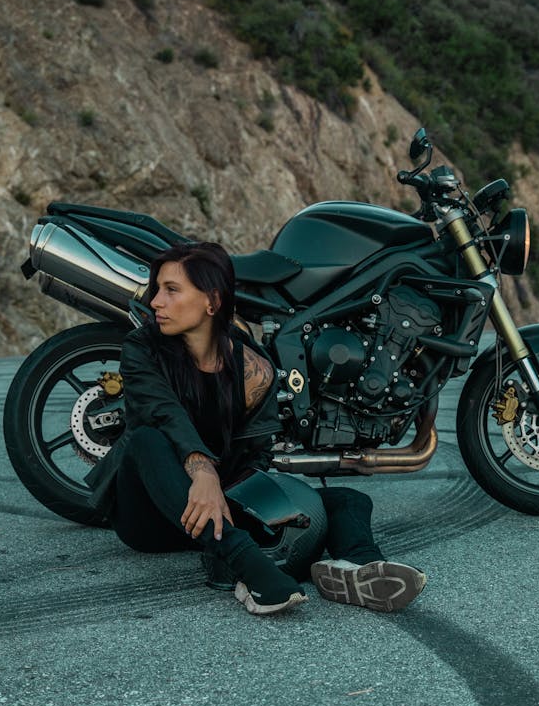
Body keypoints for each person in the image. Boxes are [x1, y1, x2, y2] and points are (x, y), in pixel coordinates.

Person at [86, 241, 426, 616]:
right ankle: (247, 563)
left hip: (221, 506)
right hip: (151, 514)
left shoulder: (253, 369)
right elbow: (163, 414)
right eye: (158, 289)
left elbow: (258, 451)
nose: (155, 302)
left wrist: (243, 495)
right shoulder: (141, 348)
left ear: (211, 302)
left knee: (347, 500)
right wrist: (203, 474)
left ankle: (358, 566)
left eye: (172, 290)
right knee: (146, 440)